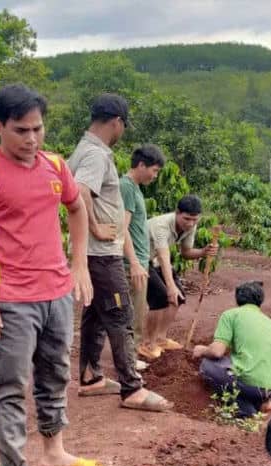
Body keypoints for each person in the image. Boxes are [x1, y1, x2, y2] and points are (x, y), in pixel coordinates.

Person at [0, 84, 105, 466]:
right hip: (12, 300)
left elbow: (77, 209)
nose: (32, 139)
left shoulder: (56, 166)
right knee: (11, 386)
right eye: (21, 130)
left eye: (38, 129)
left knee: (55, 375)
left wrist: (79, 264)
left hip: (57, 294)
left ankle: (54, 451)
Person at [68, 94, 172, 412]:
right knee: (121, 315)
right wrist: (98, 227)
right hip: (102, 254)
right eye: (123, 126)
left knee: (96, 316)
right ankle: (132, 388)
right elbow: (80, 190)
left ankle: (90, 378)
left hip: (97, 254)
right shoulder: (96, 155)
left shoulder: (86, 150)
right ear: (117, 122)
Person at [192, 281, 271, 417]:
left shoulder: (231, 315)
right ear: (260, 301)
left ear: (237, 299)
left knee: (209, 365)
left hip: (252, 385)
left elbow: (217, 351)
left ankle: (247, 412)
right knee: (246, 369)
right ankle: (267, 401)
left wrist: (202, 350)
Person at [141, 194, 216, 359]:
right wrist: (170, 286)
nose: (190, 224)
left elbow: (186, 252)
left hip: (154, 259)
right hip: (140, 259)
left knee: (179, 297)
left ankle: (160, 339)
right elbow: (163, 255)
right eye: (186, 219)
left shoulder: (191, 226)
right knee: (160, 297)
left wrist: (203, 252)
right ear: (177, 213)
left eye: (194, 220)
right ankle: (147, 343)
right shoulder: (161, 225)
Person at [120, 144, 165, 368]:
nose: (155, 176)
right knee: (132, 314)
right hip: (132, 263)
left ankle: (131, 356)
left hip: (139, 262)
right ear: (141, 165)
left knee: (137, 311)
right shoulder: (127, 187)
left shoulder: (135, 188)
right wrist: (135, 263)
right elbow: (123, 227)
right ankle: (129, 361)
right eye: (154, 170)